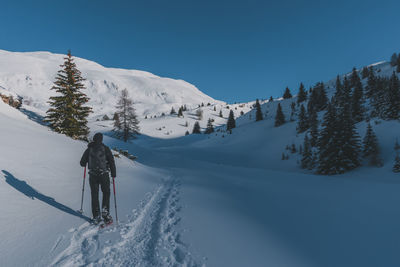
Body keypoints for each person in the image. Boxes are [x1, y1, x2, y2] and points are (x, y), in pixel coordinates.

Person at [80, 133, 116, 224]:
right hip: (104, 174)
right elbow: (111, 161)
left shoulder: (89, 149)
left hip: (93, 175)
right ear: (101, 139)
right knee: (106, 193)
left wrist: (86, 163)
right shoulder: (106, 149)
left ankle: (96, 216)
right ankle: (105, 213)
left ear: (94, 139)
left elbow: (82, 163)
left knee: (94, 195)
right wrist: (113, 174)